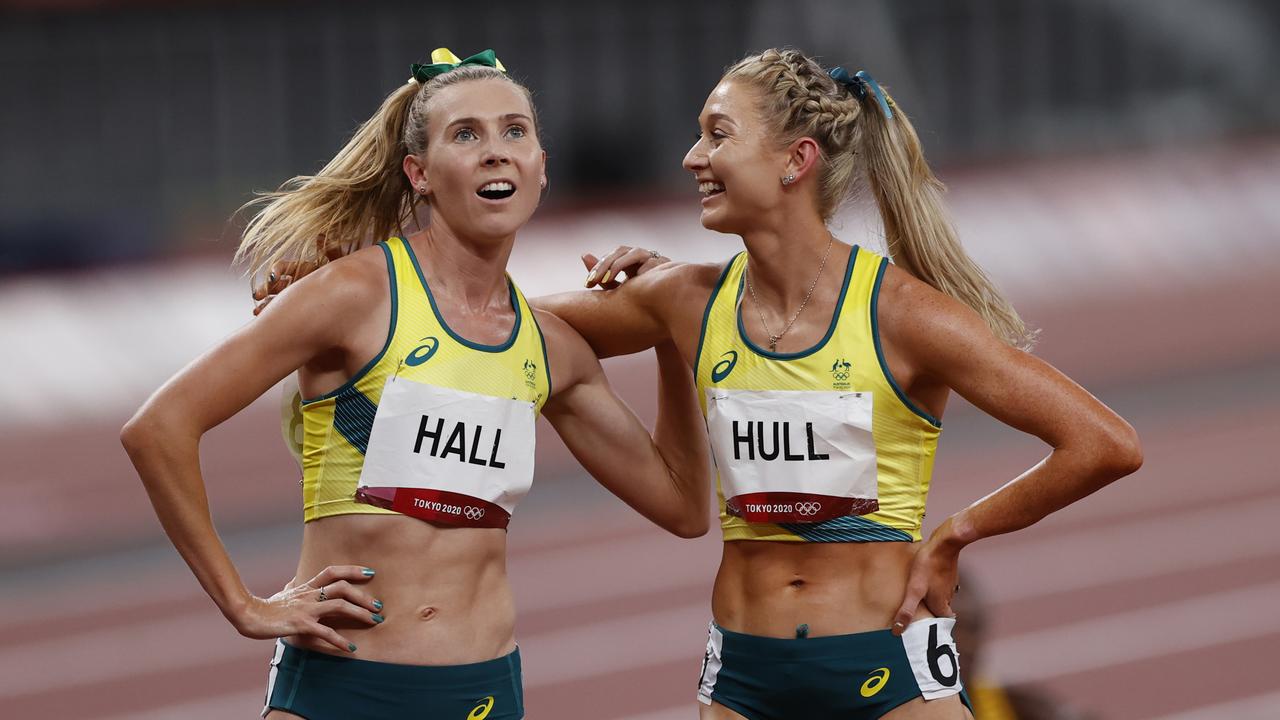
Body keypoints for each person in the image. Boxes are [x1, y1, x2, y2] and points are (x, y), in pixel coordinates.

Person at [538, 48, 1143, 719]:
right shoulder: (685, 300)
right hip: (744, 675)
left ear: (794, 161)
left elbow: (1104, 443)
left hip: (886, 667)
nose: (691, 156)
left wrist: (956, 534)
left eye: (717, 134)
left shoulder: (906, 316)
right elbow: (501, 326)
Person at [120, 48, 709, 720]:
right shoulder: (352, 293)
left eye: (515, 131)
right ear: (419, 174)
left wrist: (666, 327)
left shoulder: (548, 347)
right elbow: (159, 427)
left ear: (541, 168)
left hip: (482, 693)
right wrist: (242, 604)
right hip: (344, 689)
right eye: (467, 135)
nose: (496, 152)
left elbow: (684, 508)